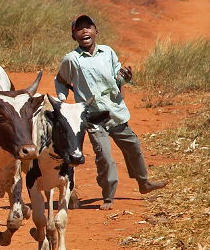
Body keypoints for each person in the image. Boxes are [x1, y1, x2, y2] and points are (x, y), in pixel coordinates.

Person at [55, 14, 167, 210]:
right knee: (105, 157)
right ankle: (108, 196)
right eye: (79, 29)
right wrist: (63, 101)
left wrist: (125, 77)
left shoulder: (108, 52)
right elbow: (61, 80)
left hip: (115, 112)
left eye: (88, 27)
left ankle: (144, 182)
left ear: (96, 31)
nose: (84, 31)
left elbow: (118, 78)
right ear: (74, 36)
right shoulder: (72, 59)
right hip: (93, 118)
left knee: (133, 147)